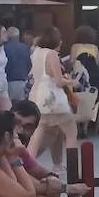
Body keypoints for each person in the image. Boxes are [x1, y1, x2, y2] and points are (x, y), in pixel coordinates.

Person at [26, 27, 76, 169]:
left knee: (39, 131)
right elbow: (58, 81)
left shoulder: (36, 53)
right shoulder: (52, 54)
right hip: (52, 98)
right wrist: (70, 81)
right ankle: (72, 166)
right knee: (71, 131)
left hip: (37, 95)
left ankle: (28, 163)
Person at [68, 27, 99, 132]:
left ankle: (76, 127)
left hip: (80, 77)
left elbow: (72, 61)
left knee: (77, 99)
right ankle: (85, 129)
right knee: (90, 99)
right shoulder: (95, 48)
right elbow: (96, 62)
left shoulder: (75, 46)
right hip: (93, 76)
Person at [3, 26, 32, 103]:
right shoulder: (26, 48)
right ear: (18, 36)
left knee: (8, 108)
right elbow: (29, 64)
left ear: (8, 36)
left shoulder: (3, 48)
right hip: (22, 81)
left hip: (7, 82)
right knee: (21, 108)